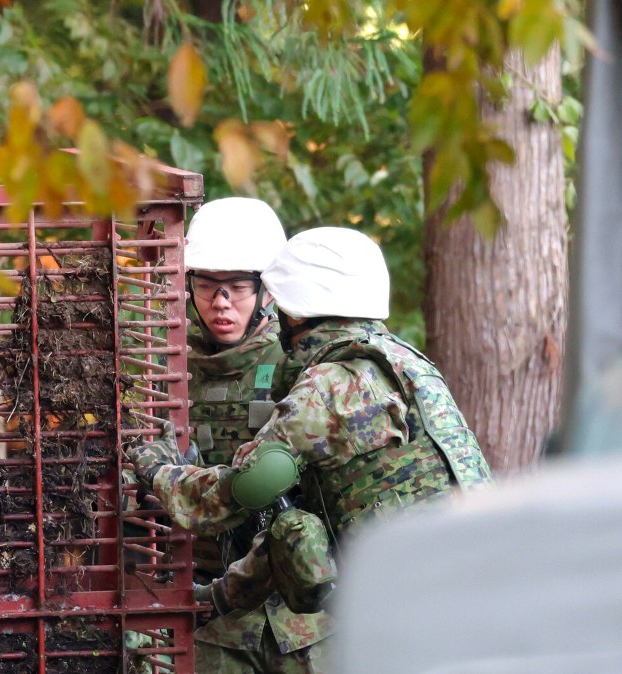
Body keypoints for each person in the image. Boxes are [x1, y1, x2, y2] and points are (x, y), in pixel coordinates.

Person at [127, 227, 493, 619]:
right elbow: (292, 517)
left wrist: (159, 471)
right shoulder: (410, 364)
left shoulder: (327, 386)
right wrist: (221, 596)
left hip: (409, 596)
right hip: (480, 572)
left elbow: (242, 492)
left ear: (297, 313)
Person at [175, 198, 330, 673]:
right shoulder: (168, 368)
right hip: (211, 609)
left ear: (267, 291)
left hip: (303, 609)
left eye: (238, 287)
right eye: (207, 285)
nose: (221, 302)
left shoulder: (303, 364)